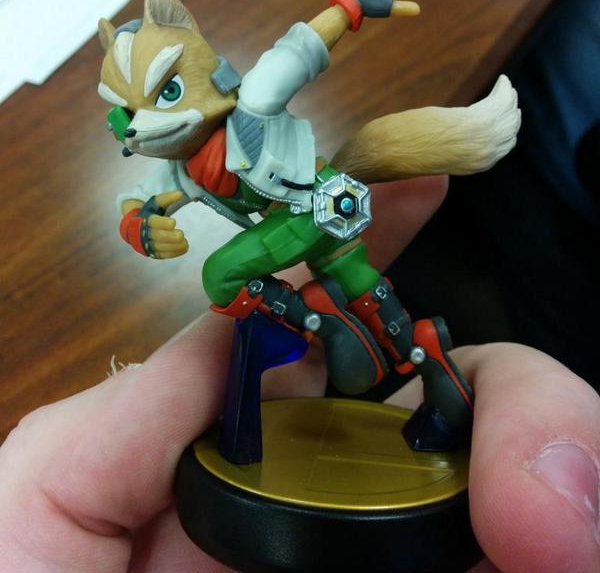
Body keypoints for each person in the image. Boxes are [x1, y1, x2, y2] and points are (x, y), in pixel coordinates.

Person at [1, 177, 598, 573]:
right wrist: (138, 221)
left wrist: (336, 22)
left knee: (223, 276)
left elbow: (297, 57)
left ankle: (321, 318)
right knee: (356, 303)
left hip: (310, 215)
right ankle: (368, 333)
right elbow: (153, 196)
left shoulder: (243, 115)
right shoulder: (185, 155)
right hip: (312, 231)